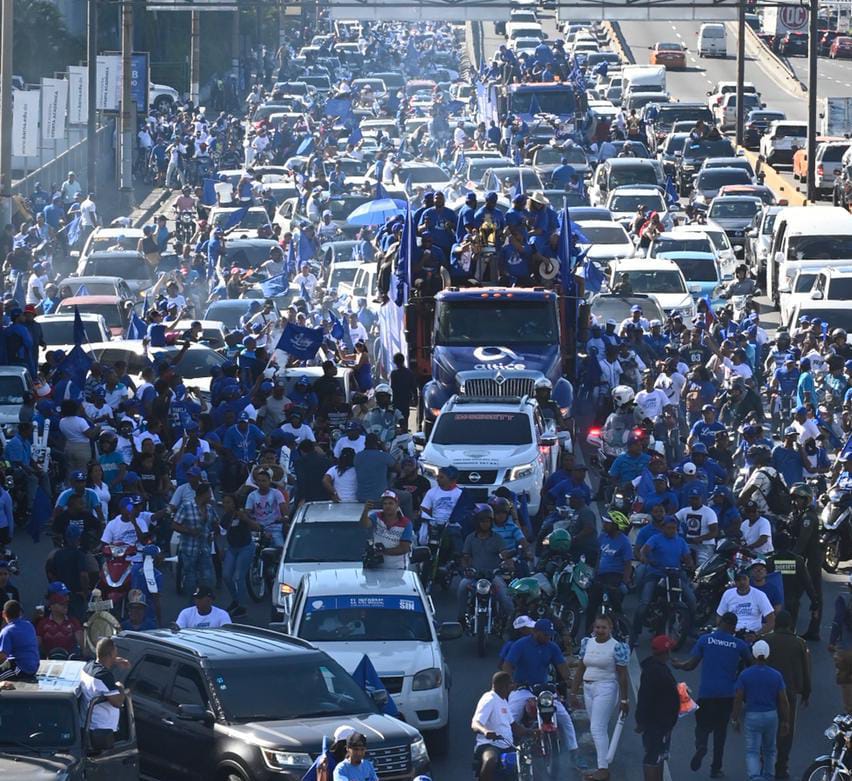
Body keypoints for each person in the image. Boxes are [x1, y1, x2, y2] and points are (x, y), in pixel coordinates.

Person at [672, 611, 751, 778]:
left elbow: (690, 665)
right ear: (734, 627)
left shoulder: (705, 640)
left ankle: (701, 745)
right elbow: (751, 665)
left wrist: (678, 664)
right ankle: (716, 768)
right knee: (720, 733)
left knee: (702, 727)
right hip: (727, 695)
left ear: (721, 622)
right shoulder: (739, 645)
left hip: (707, 693)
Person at [503, 619, 578, 757]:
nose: (548, 637)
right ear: (536, 632)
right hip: (522, 688)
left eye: (550, 635)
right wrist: (509, 682)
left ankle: (574, 752)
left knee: (564, 717)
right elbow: (508, 665)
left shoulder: (552, 647)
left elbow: (562, 667)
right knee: (511, 716)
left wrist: (568, 679)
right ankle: (505, 749)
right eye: (545, 634)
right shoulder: (520, 645)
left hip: (543, 689)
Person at [569, 614, 630, 780]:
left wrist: (625, 700)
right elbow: (581, 669)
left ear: (610, 629)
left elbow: (623, 675)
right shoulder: (587, 643)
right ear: (593, 628)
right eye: (597, 627)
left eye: (604, 627)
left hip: (607, 687)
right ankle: (602, 762)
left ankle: (603, 769)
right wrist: (574, 693)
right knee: (597, 727)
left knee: (597, 728)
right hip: (588, 688)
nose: (600, 630)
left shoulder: (617, 647)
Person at [732, 640, 790, 781]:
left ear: (753, 655)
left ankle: (755, 777)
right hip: (771, 715)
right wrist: (786, 721)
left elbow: (738, 697)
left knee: (752, 750)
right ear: (768, 655)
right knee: (770, 749)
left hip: (752, 715)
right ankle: (769, 776)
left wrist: (735, 718)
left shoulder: (745, 675)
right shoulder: (776, 675)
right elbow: (783, 700)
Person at [764, 610, 811, 779]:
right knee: (786, 729)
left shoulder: (766, 640)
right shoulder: (800, 643)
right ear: (791, 625)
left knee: (767, 727)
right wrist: (806, 691)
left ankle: (764, 763)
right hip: (789, 691)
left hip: (766, 691)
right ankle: (781, 767)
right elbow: (806, 669)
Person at [457, 505, 514, 624]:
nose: (485, 524)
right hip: (474, 575)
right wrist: (466, 568)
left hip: (493, 576)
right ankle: (461, 618)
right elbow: (465, 557)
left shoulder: (497, 538)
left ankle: (512, 622)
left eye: (488, 521)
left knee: (504, 596)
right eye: (482, 521)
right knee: (462, 586)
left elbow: (504, 554)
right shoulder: (470, 538)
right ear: (477, 522)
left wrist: (508, 563)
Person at [635, 635, 680, 781]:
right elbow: (645, 698)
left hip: (662, 722)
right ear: (666, 652)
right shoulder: (655, 671)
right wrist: (641, 721)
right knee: (653, 757)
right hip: (657, 723)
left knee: (658, 755)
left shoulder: (656, 668)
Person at [471, 671, 519, 781]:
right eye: (508, 686)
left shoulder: (504, 702)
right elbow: (475, 723)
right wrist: (485, 731)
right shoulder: (489, 699)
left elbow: (515, 727)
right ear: (499, 686)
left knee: (527, 761)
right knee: (490, 760)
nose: (510, 689)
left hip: (507, 746)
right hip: (490, 745)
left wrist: (534, 731)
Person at [360, 492, 414, 569]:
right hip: (376, 568)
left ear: (397, 505)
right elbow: (365, 524)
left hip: (398, 568)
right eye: (385, 504)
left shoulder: (406, 523)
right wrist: (365, 511)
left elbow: (404, 548)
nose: (387, 506)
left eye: (390, 503)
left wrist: (382, 551)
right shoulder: (376, 516)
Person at [716, 569, 776, 637]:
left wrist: (757, 634)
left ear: (749, 579)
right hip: (732, 635)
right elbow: (719, 617)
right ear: (735, 581)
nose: (742, 582)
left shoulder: (760, 595)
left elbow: (771, 621)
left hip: (754, 634)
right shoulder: (728, 594)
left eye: (744, 579)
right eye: (738, 580)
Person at [36, 582, 83, 657]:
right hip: (51, 663)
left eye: (66, 602)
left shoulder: (73, 621)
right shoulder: (42, 624)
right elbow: (35, 647)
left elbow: (83, 647)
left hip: (71, 663)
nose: (65, 604)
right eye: (61, 603)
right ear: (52, 603)